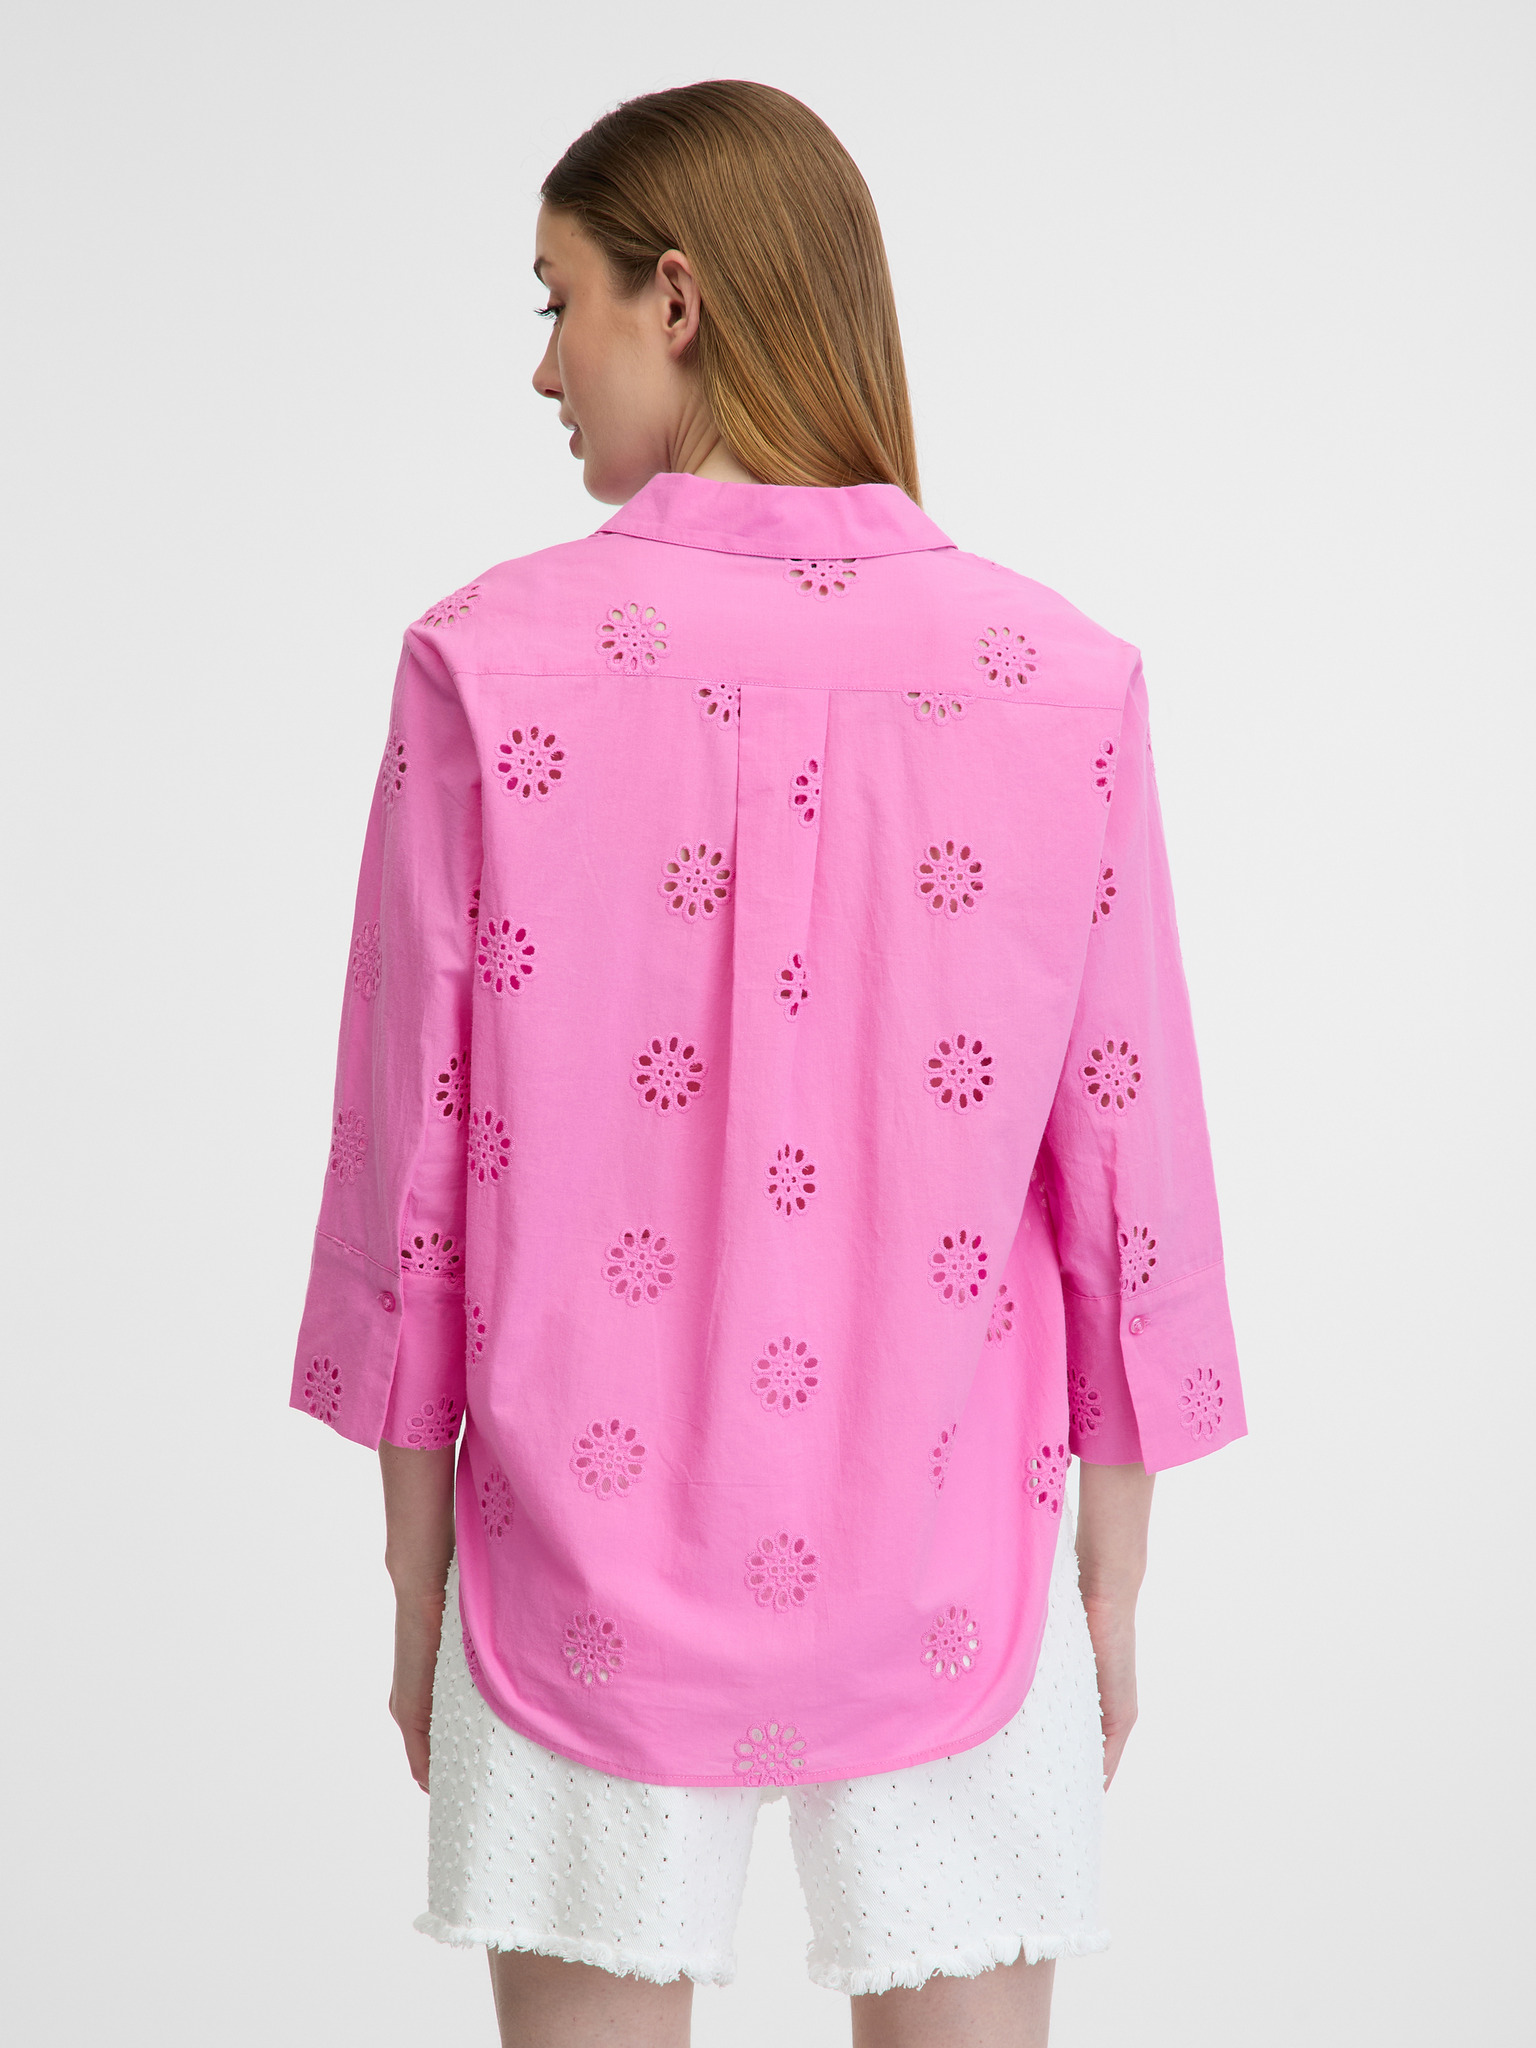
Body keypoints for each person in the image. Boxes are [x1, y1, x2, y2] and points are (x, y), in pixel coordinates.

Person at [289, 78, 1246, 2048]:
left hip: (570, 1558)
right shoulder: (1063, 679)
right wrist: (1116, 1569)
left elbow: (411, 1159)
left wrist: (413, 1565)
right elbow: (1126, 1149)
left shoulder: (484, 661)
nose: (542, 367)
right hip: (957, 1543)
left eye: (556, 301)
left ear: (679, 297)